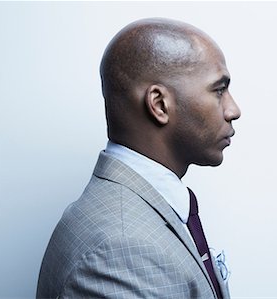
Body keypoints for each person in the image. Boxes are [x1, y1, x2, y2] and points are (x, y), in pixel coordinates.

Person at [37, 18, 241, 298]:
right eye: (219, 90)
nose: (233, 110)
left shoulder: (140, 213)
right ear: (159, 104)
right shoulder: (119, 250)